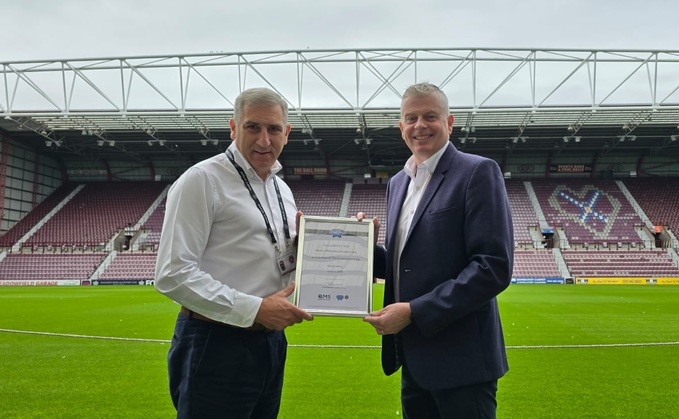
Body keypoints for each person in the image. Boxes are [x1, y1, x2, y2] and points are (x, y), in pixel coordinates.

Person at [155, 87, 313, 419]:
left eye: (273, 129)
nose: (264, 140)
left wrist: (335, 246)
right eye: (253, 127)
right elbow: (172, 273)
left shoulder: (280, 188)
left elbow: (273, 254)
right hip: (216, 341)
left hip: (270, 342)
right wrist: (255, 309)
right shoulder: (202, 180)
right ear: (233, 127)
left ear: (287, 132)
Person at [362, 82, 514, 418]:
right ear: (401, 126)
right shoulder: (398, 183)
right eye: (411, 117)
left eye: (430, 116)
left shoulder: (477, 172)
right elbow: (403, 265)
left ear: (449, 122)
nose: (420, 125)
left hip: (463, 362)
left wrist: (414, 311)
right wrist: (361, 248)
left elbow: (493, 266)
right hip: (413, 358)